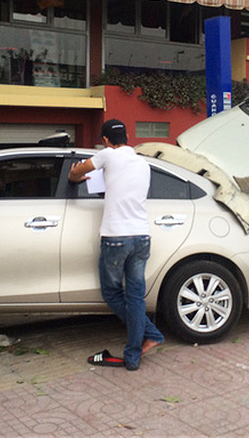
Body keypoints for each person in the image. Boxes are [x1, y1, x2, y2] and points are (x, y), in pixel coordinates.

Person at [68, 119, 164, 370]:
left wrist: (76, 173)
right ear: (128, 136)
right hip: (142, 237)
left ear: (106, 141)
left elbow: (76, 174)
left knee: (112, 292)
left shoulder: (107, 155)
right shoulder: (142, 163)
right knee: (135, 296)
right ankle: (139, 346)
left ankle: (148, 336)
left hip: (117, 237)